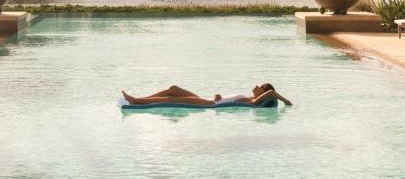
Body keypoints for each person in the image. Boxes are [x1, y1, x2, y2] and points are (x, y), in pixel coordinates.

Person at [121, 83, 292, 107]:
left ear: (262, 92)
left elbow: (272, 93)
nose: (256, 86)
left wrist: (287, 101)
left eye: (259, 86)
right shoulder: (250, 97)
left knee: (173, 98)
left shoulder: (254, 101)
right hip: (210, 99)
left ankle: (136, 101)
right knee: (174, 88)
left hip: (210, 105)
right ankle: (141, 97)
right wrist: (219, 95)